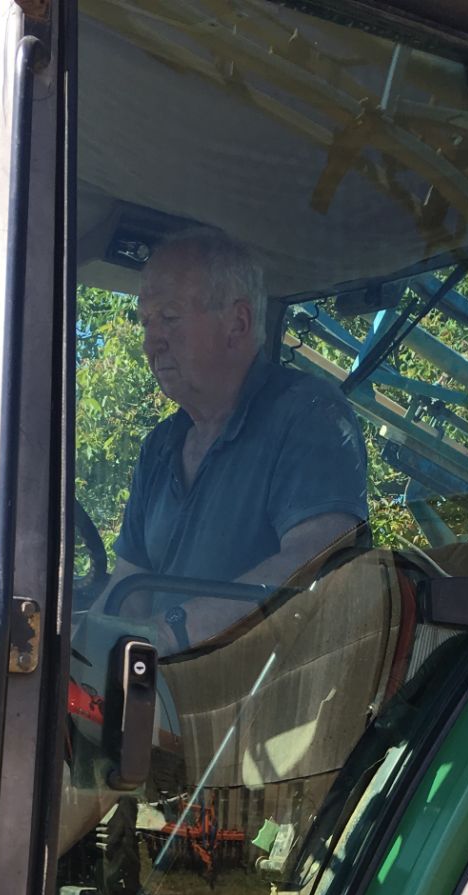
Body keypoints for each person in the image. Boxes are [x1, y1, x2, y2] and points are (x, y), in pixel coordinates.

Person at [102, 226, 369, 651]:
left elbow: (317, 563)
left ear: (237, 323)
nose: (153, 341)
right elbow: (127, 590)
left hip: (264, 700)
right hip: (159, 697)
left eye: (170, 317)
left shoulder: (308, 414)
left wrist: (169, 634)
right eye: (146, 321)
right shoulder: (159, 446)